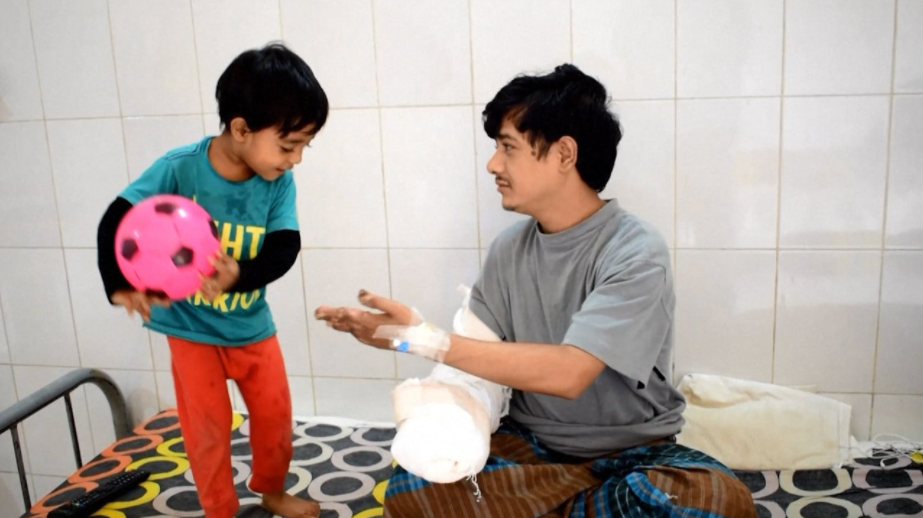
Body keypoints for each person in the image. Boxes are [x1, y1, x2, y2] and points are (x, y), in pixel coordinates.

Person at [314, 64, 756, 517]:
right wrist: (401, 337)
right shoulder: (509, 250)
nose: (493, 164)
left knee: (716, 503)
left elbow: (569, 373)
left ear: (565, 154)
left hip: (637, 456)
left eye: (507, 147)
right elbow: (473, 369)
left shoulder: (636, 250)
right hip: (530, 450)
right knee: (415, 491)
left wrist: (420, 337)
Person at [96, 43, 327, 518]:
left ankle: (272, 491)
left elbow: (285, 248)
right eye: (289, 145)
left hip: (251, 327)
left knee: (275, 419)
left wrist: (239, 274)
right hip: (190, 331)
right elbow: (116, 217)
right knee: (207, 428)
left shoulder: (277, 183)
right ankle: (219, 510)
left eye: (304, 146)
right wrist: (117, 282)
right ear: (241, 129)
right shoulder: (181, 167)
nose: (296, 159)